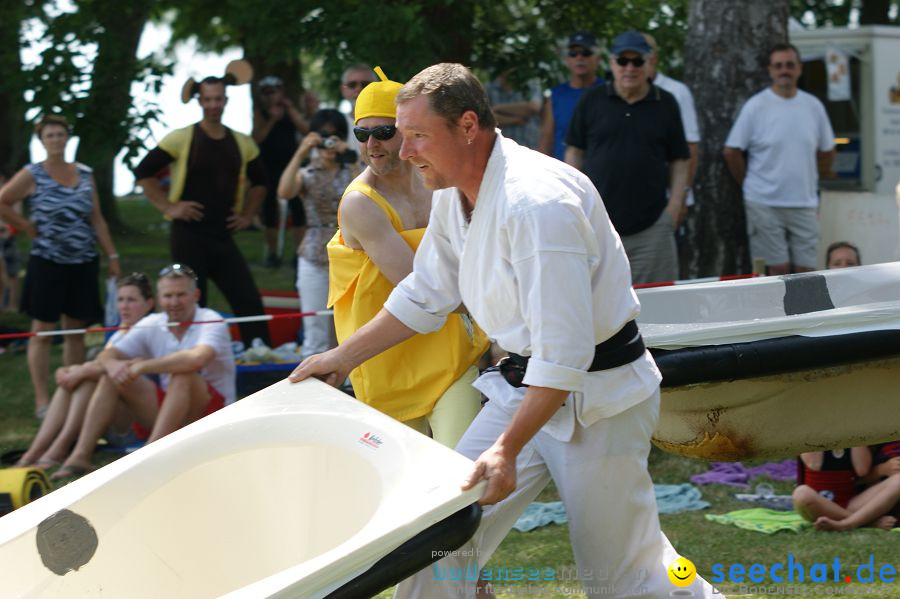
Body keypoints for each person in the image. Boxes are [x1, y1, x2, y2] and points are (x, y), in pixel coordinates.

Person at [289, 63, 714, 598]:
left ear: (468, 126)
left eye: (417, 135)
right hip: (522, 390)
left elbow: (565, 354)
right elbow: (426, 292)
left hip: (596, 402)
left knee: (626, 575)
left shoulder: (537, 206)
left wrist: (507, 449)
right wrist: (342, 358)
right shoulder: (451, 188)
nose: (402, 151)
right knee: (435, 535)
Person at [327, 67, 488, 447]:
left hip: (450, 353)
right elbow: (422, 287)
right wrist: (502, 309)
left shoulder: (439, 181)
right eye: (362, 134)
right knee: (406, 487)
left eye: (384, 132)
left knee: (461, 467)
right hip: (385, 359)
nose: (373, 144)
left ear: (411, 131)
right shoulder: (359, 204)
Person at [54, 264, 236, 479]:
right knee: (113, 375)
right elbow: (108, 354)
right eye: (168, 296)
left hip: (213, 417)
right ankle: (79, 455)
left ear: (196, 295)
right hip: (172, 411)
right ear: (159, 298)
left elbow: (196, 359)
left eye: (181, 295)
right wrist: (113, 365)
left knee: (182, 374)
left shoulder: (211, 319)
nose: (174, 302)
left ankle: (148, 456)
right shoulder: (152, 322)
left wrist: (143, 365)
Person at [133, 63, 271, 346]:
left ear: (226, 100)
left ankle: (262, 360)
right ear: (199, 101)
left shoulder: (241, 142)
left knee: (248, 300)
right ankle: (186, 360)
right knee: (191, 301)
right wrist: (168, 207)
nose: (213, 105)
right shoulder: (182, 137)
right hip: (187, 234)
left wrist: (247, 215)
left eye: (218, 99)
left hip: (223, 233)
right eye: (207, 99)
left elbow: (261, 182)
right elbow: (143, 171)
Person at [0, 114, 121, 419]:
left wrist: (112, 255)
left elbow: (96, 218)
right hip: (47, 261)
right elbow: (3, 200)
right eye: (49, 135)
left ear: (68, 138)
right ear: (42, 141)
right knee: (42, 330)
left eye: (60, 134)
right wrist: (24, 224)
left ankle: (71, 391)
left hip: (82, 260)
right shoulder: (33, 173)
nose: (55, 140)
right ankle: (42, 399)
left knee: (76, 331)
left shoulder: (84, 173)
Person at [565, 31, 690, 285]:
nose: (629, 68)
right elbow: (574, 152)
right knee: (600, 307)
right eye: (623, 61)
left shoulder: (666, 103)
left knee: (663, 305)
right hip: (597, 226)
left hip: (653, 228)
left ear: (649, 63)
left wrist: (674, 207)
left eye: (637, 61)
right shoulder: (592, 100)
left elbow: (680, 159)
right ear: (612, 63)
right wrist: (572, 204)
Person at [14, 272, 155, 469]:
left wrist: (79, 372)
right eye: (121, 299)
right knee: (77, 378)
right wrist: (69, 371)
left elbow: (119, 371)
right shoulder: (116, 332)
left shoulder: (151, 330)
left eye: (132, 300)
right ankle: (36, 451)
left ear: (149, 304)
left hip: (133, 423)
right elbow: (101, 364)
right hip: (106, 419)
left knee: (88, 378)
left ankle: (59, 448)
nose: (124, 305)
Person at [724, 43, 836, 276]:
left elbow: (827, 149)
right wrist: (749, 185)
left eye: (789, 65)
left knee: (807, 271)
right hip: (763, 202)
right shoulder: (756, 106)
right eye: (778, 66)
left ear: (799, 69)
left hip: (804, 202)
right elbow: (731, 151)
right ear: (770, 70)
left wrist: (812, 176)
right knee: (777, 271)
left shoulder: (813, 106)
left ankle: (807, 314)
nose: (784, 70)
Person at [278, 109, 357, 358]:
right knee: (315, 329)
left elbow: (372, 192)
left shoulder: (353, 169)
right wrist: (301, 151)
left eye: (334, 137)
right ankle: (313, 390)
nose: (329, 143)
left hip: (352, 253)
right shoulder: (307, 172)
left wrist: (350, 156)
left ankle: (350, 389)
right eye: (324, 137)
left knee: (350, 328)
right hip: (313, 254)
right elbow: (284, 191)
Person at [252, 75, 312, 268]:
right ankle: (272, 253)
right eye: (267, 93)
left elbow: (306, 130)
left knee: (298, 210)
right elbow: (257, 138)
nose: (271, 97)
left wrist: (290, 110)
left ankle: (298, 253)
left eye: (274, 92)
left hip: (291, 167)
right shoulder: (260, 113)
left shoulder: (289, 110)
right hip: (269, 168)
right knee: (270, 213)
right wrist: (271, 120)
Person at [642, 32, 700, 226]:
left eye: (642, 58)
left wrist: (682, 196)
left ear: (654, 58)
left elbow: (691, 147)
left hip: (667, 198)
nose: (634, 65)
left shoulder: (677, 92)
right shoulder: (618, 92)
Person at [538, 31, 602, 161]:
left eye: (586, 53)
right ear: (567, 60)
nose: (580, 58)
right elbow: (546, 140)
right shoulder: (555, 95)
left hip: (600, 172)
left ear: (598, 59)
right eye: (574, 54)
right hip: (565, 174)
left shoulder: (608, 91)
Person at [486, 67, 542, 149]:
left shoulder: (530, 84)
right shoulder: (489, 88)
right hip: (500, 150)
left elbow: (533, 107)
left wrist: (497, 108)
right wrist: (515, 120)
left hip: (529, 148)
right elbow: (487, 118)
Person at [339, 64, 377, 147]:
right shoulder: (334, 123)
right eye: (352, 85)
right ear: (343, 90)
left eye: (365, 84)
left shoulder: (393, 122)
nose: (358, 89)